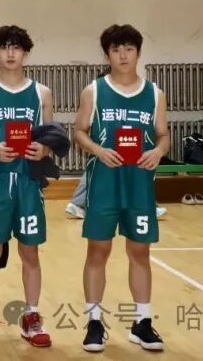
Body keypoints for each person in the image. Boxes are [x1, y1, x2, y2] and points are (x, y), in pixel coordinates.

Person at [73, 24, 168, 353]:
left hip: (138, 184)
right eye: (116, 50)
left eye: (129, 48)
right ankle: (94, 323)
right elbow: (79, 131)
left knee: (140, 252)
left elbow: (163, 135)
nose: (123, 55)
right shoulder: (94, 91)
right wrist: (98, 150)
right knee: (97, 251)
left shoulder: (154, 94)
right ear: (107, 55)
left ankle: (142, 323)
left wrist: (158, 151)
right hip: (104, 183)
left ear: (138, 52)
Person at [0, 25, 53, 349]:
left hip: (29, 182)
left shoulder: (42, 93)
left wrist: (43, 149)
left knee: (30, 251)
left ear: (25, 52)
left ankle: (32, 317)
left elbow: (51, 138)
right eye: (4, 47)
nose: (10, 53)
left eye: (16, 47)